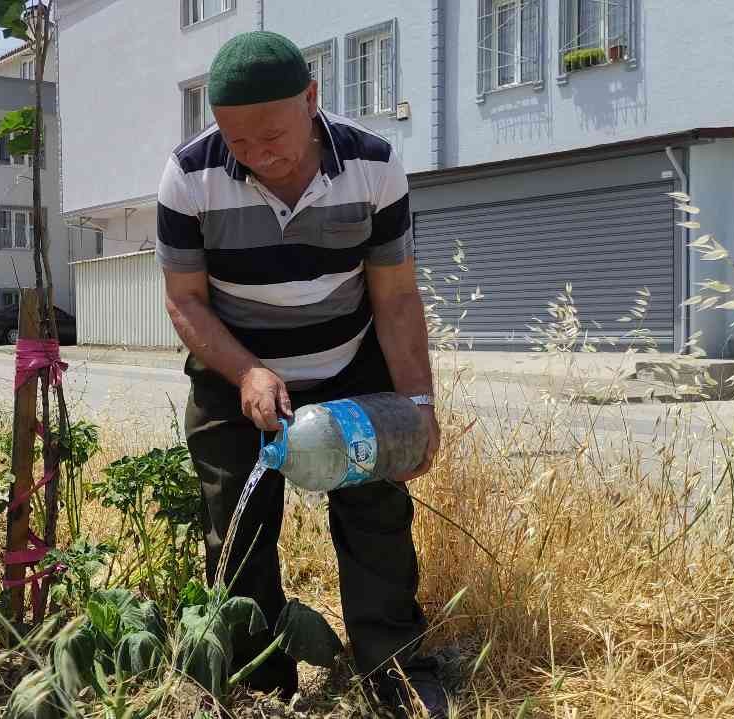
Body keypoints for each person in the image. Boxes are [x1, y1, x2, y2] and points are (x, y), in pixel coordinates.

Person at [156, 32, 447, 717]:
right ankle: (260, 681)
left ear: (312, 99)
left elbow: (397, 297)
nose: (258, 155)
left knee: (378, 514)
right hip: (235, 368)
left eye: (273, 135)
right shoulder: (189, 175)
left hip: (349, 360)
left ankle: (396, 671)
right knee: (238, 526)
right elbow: (184, 299)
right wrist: (247, 370)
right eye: (239, 141)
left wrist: (417, 402)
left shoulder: (372, 166)